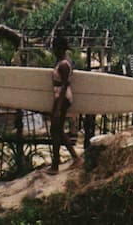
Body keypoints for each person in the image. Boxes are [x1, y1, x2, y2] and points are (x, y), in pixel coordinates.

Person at [47, 36, 80, 174]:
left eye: (54, 48)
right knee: (57, 130)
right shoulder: (61, 61)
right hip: (60, 96)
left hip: (63, 97)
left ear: (59, 48)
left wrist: (59, 106)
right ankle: (74, 158)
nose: (53, 51)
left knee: (55, 130)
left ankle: (55, 165)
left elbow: (66, 84)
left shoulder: (64, 64)